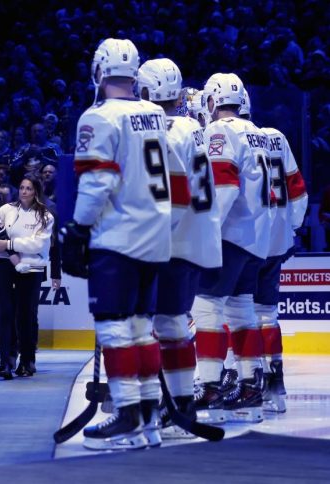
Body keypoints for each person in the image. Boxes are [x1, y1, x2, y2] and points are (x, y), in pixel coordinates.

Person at [61, 39, 171, 451]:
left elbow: (98, 181)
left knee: (115, 327)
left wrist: (76, 229)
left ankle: (127, 415)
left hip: (118, 235)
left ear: (99, 72)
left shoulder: (99, 117)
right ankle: (148, 417)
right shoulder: (156, 114)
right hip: (154, 235)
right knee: (143, 328)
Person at [137, 58, 219, 441]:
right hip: (197, 235)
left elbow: (168, 191)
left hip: (171, 238)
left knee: (160, 324)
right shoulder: (195, 127)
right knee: (175, 323)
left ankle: (168, 405)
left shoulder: (164, 130)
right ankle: (181, 403)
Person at [191, 73, 273, 425]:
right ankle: (251, 387)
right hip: (255, 236)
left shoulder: (220, 131)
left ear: (212, 101)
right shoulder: (260, 133)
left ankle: (209, 387)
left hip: (228, 234)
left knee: (207, 310)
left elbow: (223, 186)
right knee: (243, 312)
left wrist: (204, 233)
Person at [242, 90, 308, 413]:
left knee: (234, 314)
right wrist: (290, 228)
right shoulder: (276, 137)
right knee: (267, 314)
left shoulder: (233, 137)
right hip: (277, 238)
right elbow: (297, 187)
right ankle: (275, 386)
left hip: (247, 240)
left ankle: (246, 384)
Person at [0, 175, 59, 379]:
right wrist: (7, 247)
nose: (24, 191)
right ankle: (6, 361)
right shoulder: (6, 210)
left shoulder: (46, 216)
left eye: (29, 188)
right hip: (4, 264)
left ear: (36, 191)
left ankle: (27, 360)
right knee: (6, 313)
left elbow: (39, 245)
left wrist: (11, 244)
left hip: (32, 268)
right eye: (21, 187)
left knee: (26, 315)